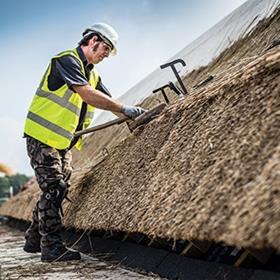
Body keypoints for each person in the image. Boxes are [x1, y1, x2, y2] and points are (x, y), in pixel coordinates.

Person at [23, 23, 145, 262]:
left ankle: (33, 238)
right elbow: (88, 95)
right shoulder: (66, 61)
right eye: (106, 48)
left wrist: (134, 118)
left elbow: (108, 101)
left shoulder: (92, 73)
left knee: (56, 189)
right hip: (41, 137)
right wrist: (126, 109)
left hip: (62, 142)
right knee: (54, 188)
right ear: (93, 40)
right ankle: (51, 248)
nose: (106, 54)